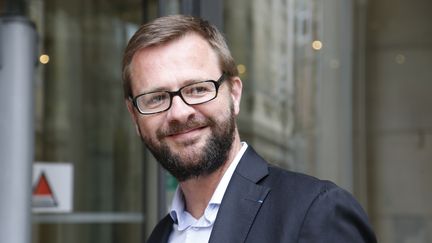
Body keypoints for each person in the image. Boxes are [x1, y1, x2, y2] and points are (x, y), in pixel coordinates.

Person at [122, 14, 377, 243]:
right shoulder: (161, 235)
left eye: (198, 89)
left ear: (234, 94)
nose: (179, 112)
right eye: (155, 98)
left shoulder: (316, 211)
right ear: (134, 116)